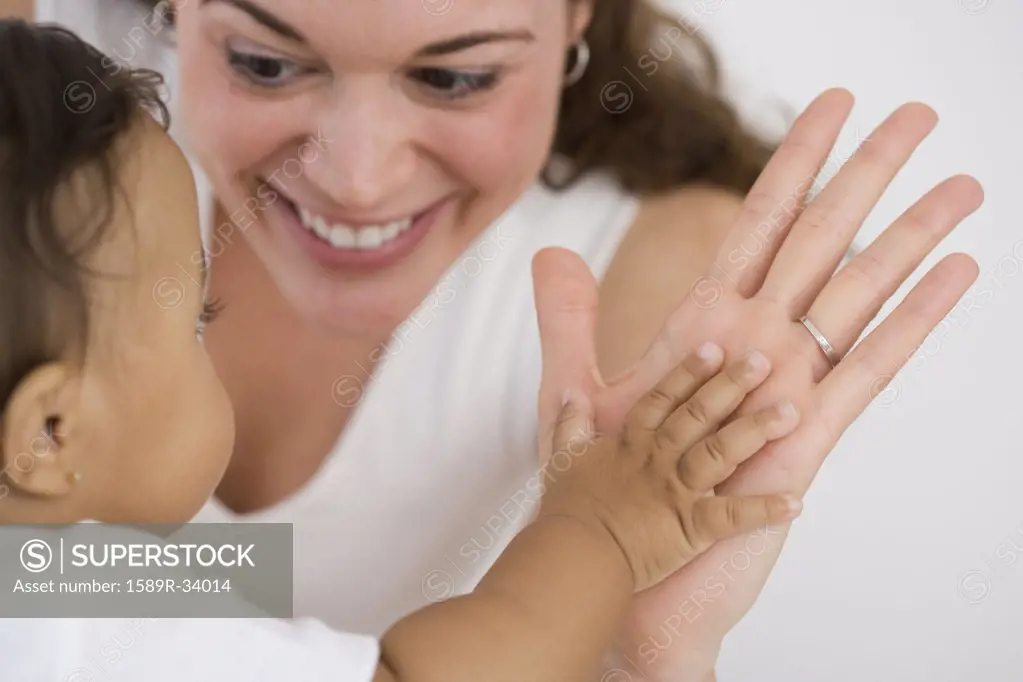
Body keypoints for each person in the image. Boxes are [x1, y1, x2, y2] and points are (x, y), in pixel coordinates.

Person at [4, 1, 984, 680]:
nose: (354, 176)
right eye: (264, 61)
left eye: (454, 74)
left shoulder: (665, 276)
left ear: (574, 30)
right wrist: (603, 530)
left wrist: (641, 656)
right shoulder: (46, 119)